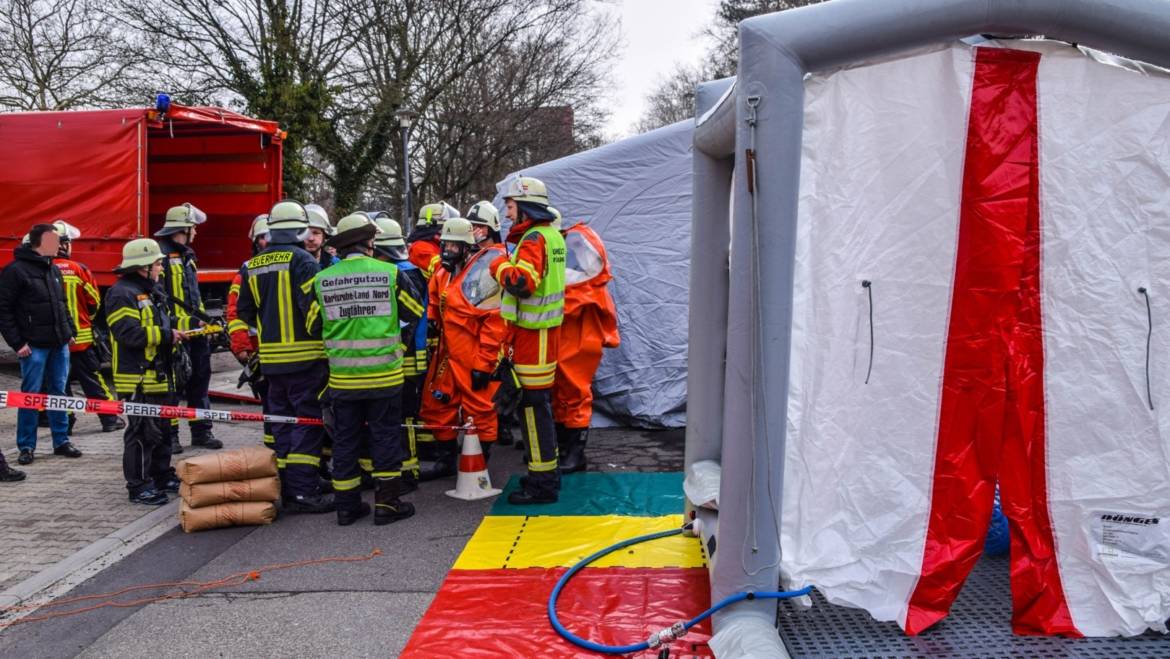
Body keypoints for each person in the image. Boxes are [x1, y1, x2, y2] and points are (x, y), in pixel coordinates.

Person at [307, 213, 420, 526]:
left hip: (343, 378)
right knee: (385, 438)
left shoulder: (321, 280)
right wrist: (398, 345)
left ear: (342, 246)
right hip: (386, 376)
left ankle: (347, 507)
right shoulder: (389, 273)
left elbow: (312, 324)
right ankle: (388, 504)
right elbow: (414, 311)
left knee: (345, 441)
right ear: (369, 242)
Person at [236, 200, 334, 514]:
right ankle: (303, 493)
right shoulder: (304, 260)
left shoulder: (251, 265)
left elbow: (244, 312)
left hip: (272, 362)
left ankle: (289, 485)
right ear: (298, 229)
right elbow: (315, 312)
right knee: (307, 423)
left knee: (282, 424)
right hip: (306, 360)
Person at [490, 177, 566, 504]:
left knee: (533, 411)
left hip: (532, 340)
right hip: (543, 337)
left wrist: (497, 265)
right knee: (541, 410)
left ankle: (541, 484)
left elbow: (523, 283)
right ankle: (546, 473)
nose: (507, 213)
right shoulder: (551, 236)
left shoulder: (534, 238)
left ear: (524, 206)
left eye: (509, 206)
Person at [418, 217, 507, 480]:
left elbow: (494, 322)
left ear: (467, 248)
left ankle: (480, 460)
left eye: (454, 247)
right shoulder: (443, 273)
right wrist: (433, 319)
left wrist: (484, 363)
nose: (447, 251)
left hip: (474, 351)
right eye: (444, 245)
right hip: (447, 351)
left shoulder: (482, 275)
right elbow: (435, 296)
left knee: (479, 407)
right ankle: (445, 460)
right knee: (437, 402)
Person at [106, 239, 185, 505]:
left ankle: (161, 476)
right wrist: (166, 336)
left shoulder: (150, 291)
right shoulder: (122, 293)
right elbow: (127, 333)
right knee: (141, 433)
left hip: (160, 376)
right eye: (158, 263)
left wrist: (192, 325)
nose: (161, 268)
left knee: (161, 430)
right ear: (143, 266)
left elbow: (166, 322)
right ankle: (138, 486)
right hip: (138, 378)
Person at [0, 223, 82, 465]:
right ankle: (26, 446)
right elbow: (3, 310)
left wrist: (69, 331)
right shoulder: (15, 272)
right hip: (33, 346)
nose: (61, 246)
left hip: (58, 344)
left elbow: (62, 303)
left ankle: (61, 440)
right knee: (30, 396)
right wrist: (17, 344)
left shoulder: (52, 269)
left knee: (59, 393)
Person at [551, 214, 620, 473]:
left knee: (575, 394)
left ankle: (575, 454)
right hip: (567, 340)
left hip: (579, 342)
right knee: (562, 393)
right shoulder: (579, 275)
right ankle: (565, 449)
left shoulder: (584, 283)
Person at [155, 203, 222, 452]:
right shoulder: (161, 256)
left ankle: (202, 432)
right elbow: (160, 302)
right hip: (174, 334)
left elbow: (193, 298)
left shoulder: (187, 255)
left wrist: (205, 321)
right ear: (184, 228)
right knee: (172, 388)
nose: (196, 232)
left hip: (195, 333)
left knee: (199, 382)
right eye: (194, 228)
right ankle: (170, 436)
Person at [51, 220, 126, 434]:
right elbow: (94, 301)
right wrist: (86, 319)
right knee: (93, 381)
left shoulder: (44, 270)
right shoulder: (79, 269)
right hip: (82, 340)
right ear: (63, 245)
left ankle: (65, 424)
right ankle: (109, 419)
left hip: (55, 341)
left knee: (59, 385)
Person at [371, 215, 429, 483]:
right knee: (402, 415)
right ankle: (406, 468)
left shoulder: (401, 274)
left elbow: (406, 319)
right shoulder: (412, 271)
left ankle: (408, 471)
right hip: (409, 356)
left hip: (401, 357)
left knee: (402, 415)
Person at [227, 215, 273, 448]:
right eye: (264, 237)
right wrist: (243, 348)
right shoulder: (247, 272)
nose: (269, 241)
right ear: (256, 242)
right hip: (260, 351)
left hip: (288, 351)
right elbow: (235, 314)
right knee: (271, 406)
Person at [407, 201, 459, 279]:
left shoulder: (436, 244)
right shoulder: (419, 248)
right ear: (433, 228)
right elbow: (445, 268)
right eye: (446, 227)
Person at [304, 204, 339, 270]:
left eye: (316, 233)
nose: (310, 238)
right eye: (306, 233)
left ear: (324, 237)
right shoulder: (291, 263)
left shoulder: (335, 264)